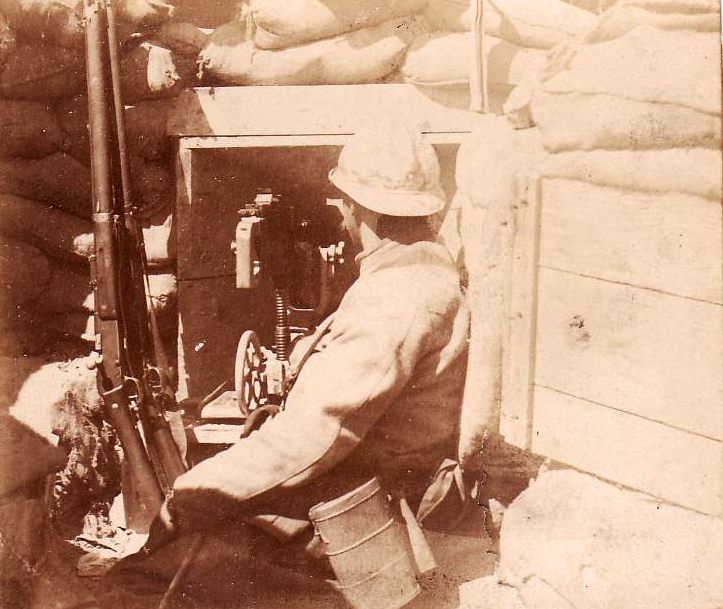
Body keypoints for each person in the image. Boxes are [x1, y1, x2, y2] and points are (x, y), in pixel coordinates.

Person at [136, 124, 472, 605]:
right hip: (361, 486)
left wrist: (193, 493)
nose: (344, 212)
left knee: (182, 571)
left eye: (347, 202)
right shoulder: (414, 272)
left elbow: (316, 436)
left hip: (367, 510)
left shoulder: (399, 296)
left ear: (367, 208)